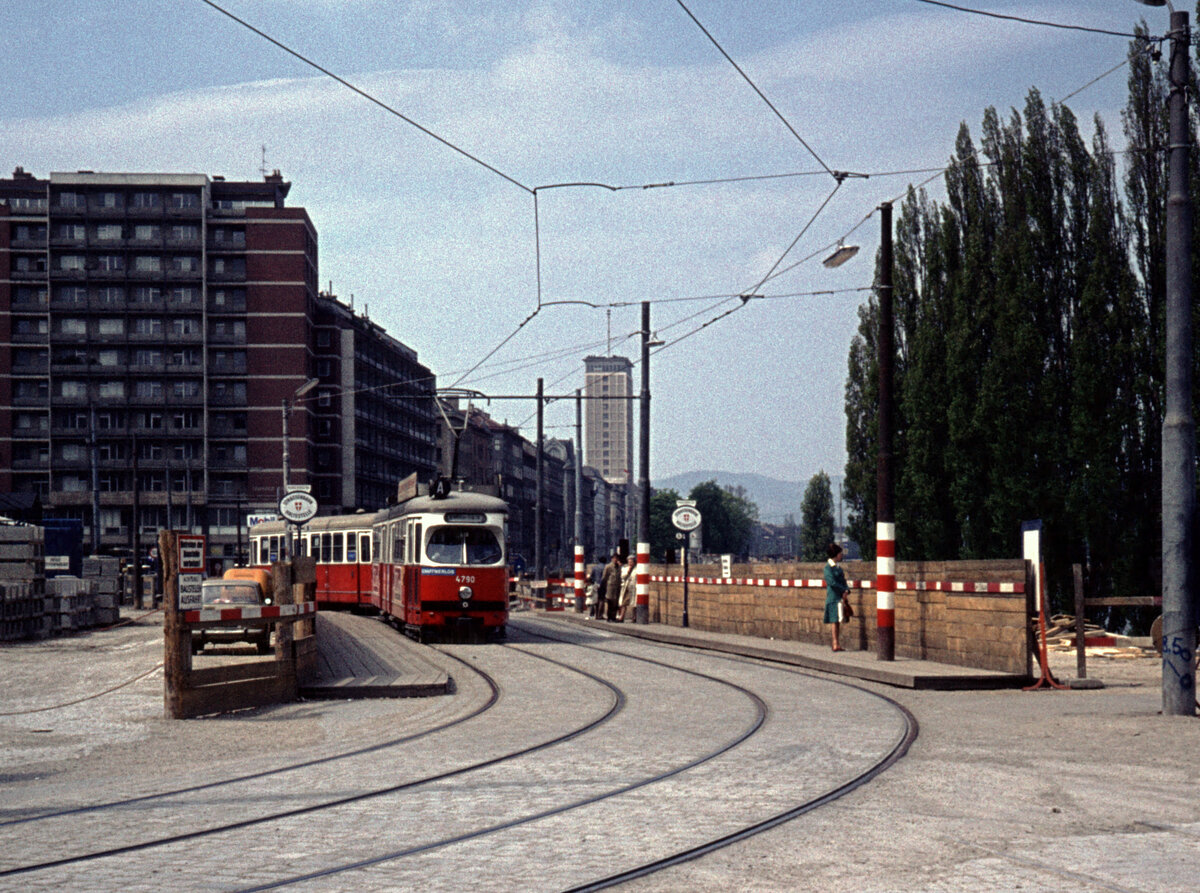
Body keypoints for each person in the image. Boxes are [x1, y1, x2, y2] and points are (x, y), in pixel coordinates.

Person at [823, 542, 850, 652]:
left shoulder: (838, 568)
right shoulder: (828, 568)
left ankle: (837, 643)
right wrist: (843, 590)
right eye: (840, 554)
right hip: (833, 596)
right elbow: (832, 582)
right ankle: (835, 643)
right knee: (834, 620)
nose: (842, 555)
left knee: (839, 620)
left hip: (840, 596)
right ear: (836, 554)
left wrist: (847, 590)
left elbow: (843, 581)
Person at [600, 553, 622, 621]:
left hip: (617, 587)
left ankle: (613, 616)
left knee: (615, 603)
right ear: (612, 559)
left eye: (617, 558)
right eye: (614, 558)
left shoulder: (619, 567)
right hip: (610, 587)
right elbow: (604, 577)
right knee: (610, 601)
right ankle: (609, 616)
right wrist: (604, 586)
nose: (615, 560)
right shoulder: (608, 567)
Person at [616, 555, 636, 622]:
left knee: (634, 603)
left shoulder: (637, 569)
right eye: (629, 562)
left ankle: (634, 617)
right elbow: (622, 576)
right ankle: (621, 617)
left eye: (631, 562)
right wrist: (628, 571)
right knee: (623, 603)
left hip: (634, 587)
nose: (630, 563)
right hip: (626, 587)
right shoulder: (625, 568)